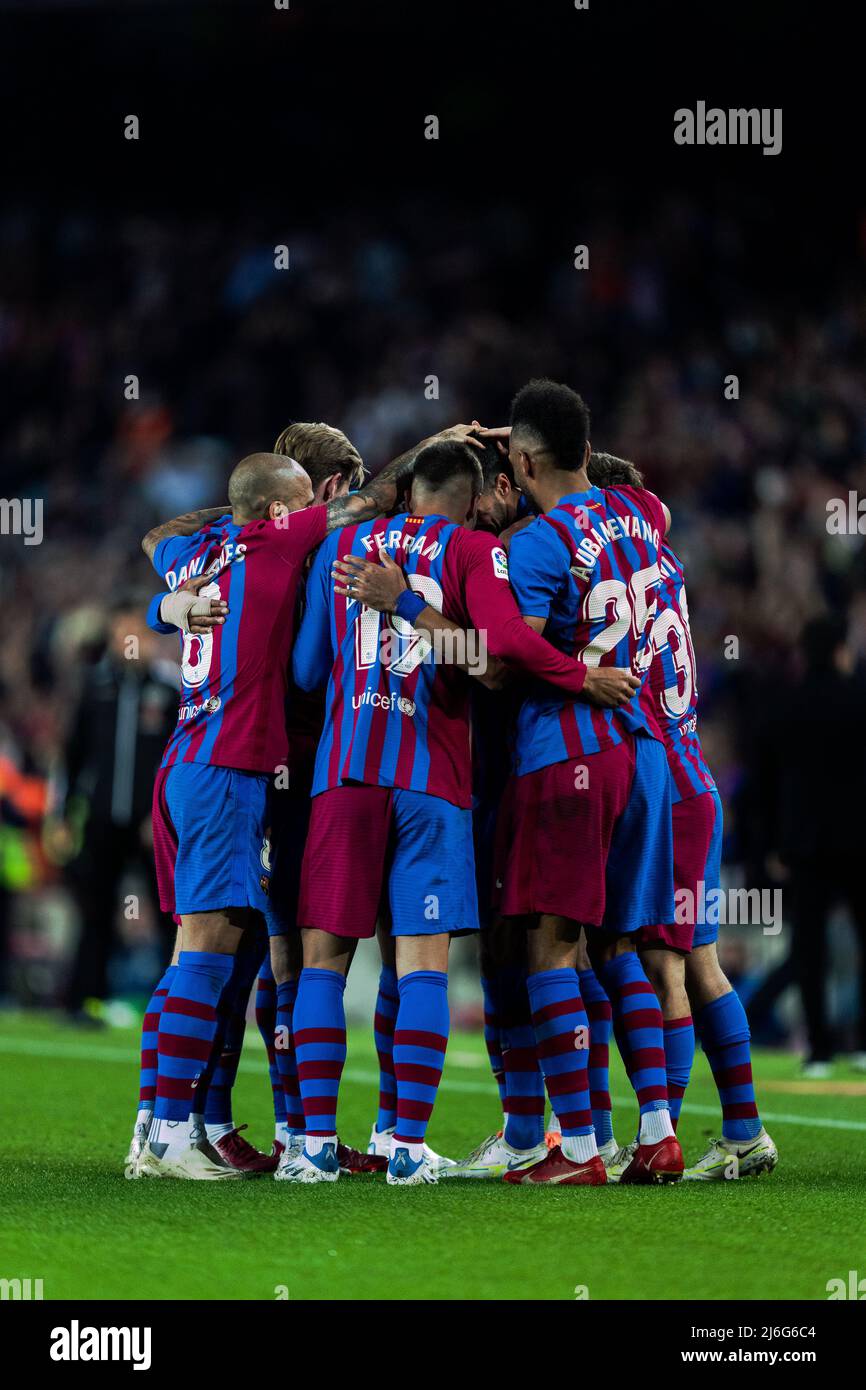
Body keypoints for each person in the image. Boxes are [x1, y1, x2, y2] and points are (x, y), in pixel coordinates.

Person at [287, 437, 636, 1186]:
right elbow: (490, 662)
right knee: (421, 968)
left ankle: (313, 1147)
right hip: (433, 783)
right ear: (474, 500)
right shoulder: (476, 555)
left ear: (409, 490)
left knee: (325, 962)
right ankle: (406, 1149)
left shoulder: (342, 546)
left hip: (345, 775)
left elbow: (308, 671)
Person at [130, 439, 430, 1180]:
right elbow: (375, 499)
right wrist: (444, 442)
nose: (317, 515)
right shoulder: (275, 539)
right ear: (279, 510)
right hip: (232, 768)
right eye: (306, 505)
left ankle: (159, 1126)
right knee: (214, 950)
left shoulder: (206, 549)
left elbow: (156, 540)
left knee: (202, 953)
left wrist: (166, 604)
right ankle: (178, 1133)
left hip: (190, 762)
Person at [587, 452, 777, 1182]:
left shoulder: (602, 576)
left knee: (658, 961)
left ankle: (654, 1138)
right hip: (694, 774)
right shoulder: (663, 564)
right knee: (698, 961)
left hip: (658, 781)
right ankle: (741, 1129)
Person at [61, 596, 179, 1022]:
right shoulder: (98, 691)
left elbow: (173, 763)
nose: (130, 641)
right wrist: (63, 816)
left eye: (137, 634)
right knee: (95, 912)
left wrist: (163, 816)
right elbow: (73, 758)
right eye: (122, 633)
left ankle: (173, 1004)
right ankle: (84, 999)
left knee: (168, 913)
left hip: (149, 824)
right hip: (100, 820)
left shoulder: (165, 694)